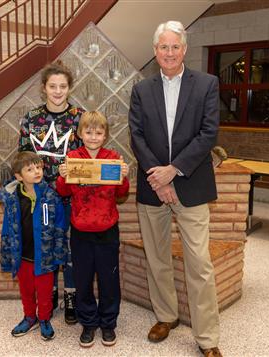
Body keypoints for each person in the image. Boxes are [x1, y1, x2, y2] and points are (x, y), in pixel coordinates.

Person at [128, 21, 223, 357]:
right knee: (157, 258)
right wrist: (159, 177)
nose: (169, 53)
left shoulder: (207, 84)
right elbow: (136, 136)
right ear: (155, 51)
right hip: (153, 186)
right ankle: (166, 316)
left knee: (199, 262)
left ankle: (207, 338)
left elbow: (208, 134)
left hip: (191, 184)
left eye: (175, 47)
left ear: (184, 50)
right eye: (163, 47)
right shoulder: (141, 90)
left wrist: (174, 171)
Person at [56, 111, 129, 348]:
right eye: (88, 132)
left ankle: (108, 323)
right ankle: (88, 322)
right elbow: (63, 192)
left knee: (109, 279)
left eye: (98, 132)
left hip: (107, 229)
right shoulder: (74, 158)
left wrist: (124, 177)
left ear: (105, 135)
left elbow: (121, 194)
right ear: (80, 133)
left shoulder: (113, 158)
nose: (93, 137)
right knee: (83, 278)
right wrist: (62, 177)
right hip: (81, 230)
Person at [18, 60, 84, 324]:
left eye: (63, 86)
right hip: (41, 198)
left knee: (68, 247)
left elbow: (87, 159)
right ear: (44, 89)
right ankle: (50, 293)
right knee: (45, 247)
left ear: (69, 88)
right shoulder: (31, 119)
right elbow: (22, 158)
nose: (58, 91)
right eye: (52, 86)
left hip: (71, 197)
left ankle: (70, 295)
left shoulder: (79, 117)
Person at [0, 151, 66, 341]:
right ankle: (29, 317)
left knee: (44, 293)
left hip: (44, 256)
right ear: (19, 176)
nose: (36, 171)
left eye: (38, 167)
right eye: (30, 169)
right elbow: (7, 227)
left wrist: (59, 252)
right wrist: (7, 253)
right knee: (26, 290)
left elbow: (60, 225)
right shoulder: (12, 198)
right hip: (22, 256)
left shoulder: (51, 196)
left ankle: (44, 319)